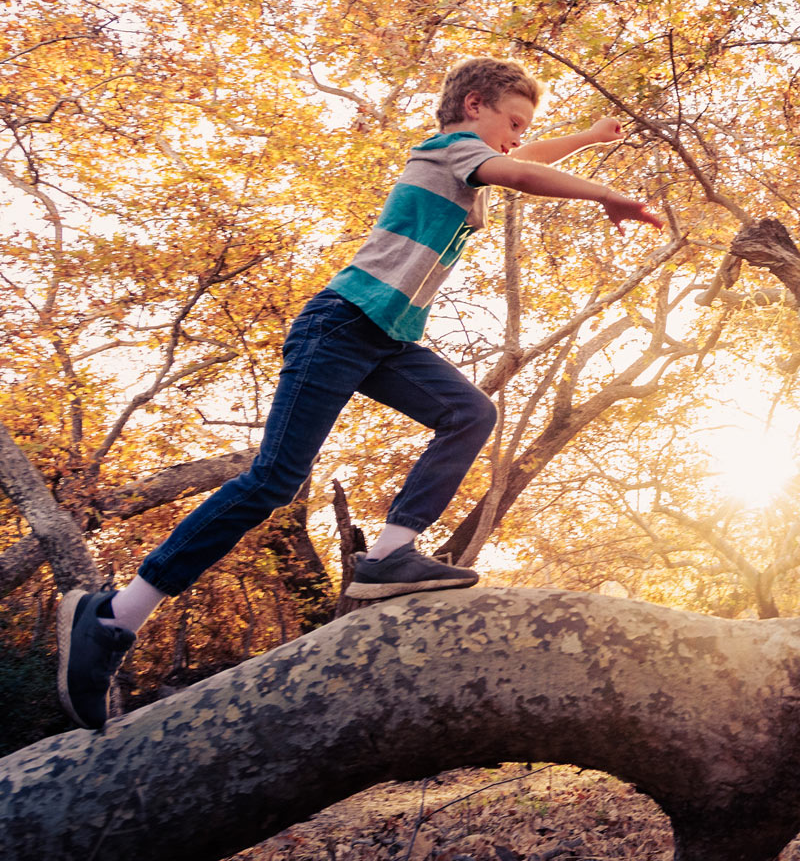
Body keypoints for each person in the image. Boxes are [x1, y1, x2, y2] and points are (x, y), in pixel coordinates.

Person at [56, 57, 662, 730]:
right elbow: (521, 170)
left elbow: (528, 158)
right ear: (473, 104)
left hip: (384, 337)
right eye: (511, 123)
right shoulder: (447, 150)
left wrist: (588, 138)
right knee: (272, 482)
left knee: (469, 412)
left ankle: (386, 556)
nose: (518, 139)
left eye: (524, 129)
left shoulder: (473, 153)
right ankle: (113, 618)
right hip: (342, 324)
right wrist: (603, 193)